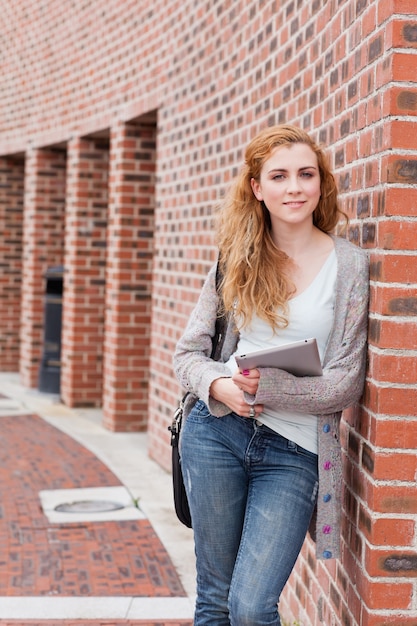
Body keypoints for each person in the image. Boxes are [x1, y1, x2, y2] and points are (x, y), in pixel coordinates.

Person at [173, 124, 369, 626]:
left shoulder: (348, 265)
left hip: (295, 451)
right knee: (215, 600)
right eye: (278, 176)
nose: (294, 187)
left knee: (252, 606)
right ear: (257, 188)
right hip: (216, 433)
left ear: (320, 183)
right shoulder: (235, 260)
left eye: (306, 174)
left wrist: (271, 388)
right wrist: (219, 386)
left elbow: (345, 381)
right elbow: (188, 355)